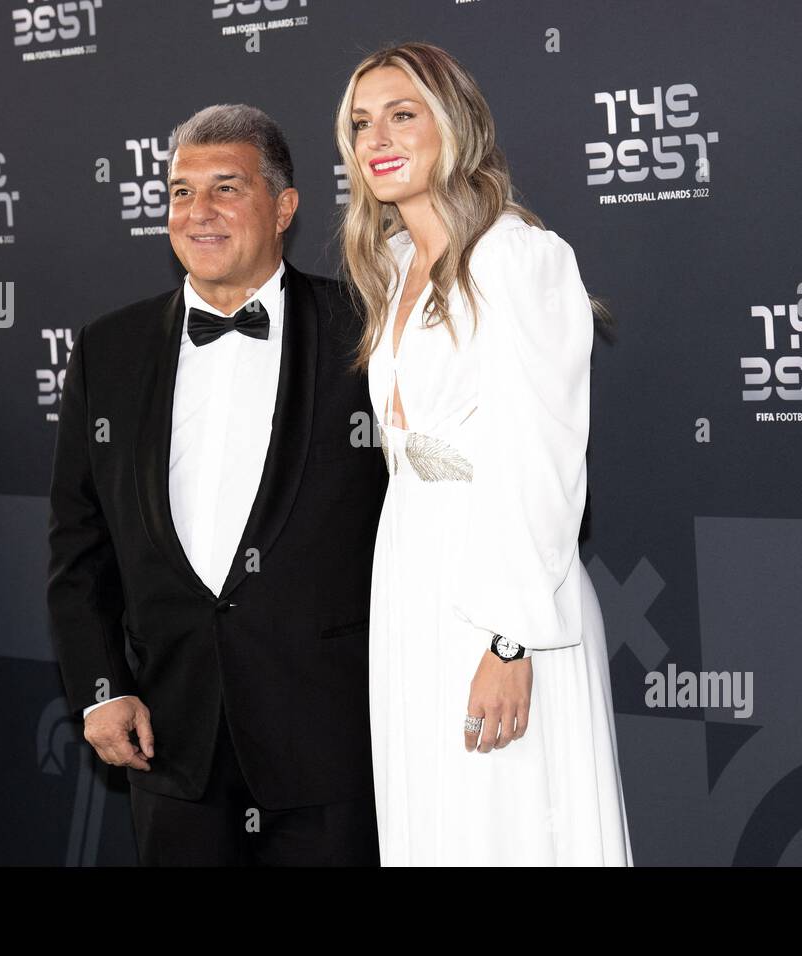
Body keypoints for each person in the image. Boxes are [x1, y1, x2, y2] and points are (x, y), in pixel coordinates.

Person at [47, 104, 387, 865]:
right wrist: (101, 687)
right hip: (170, 738)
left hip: (330, 737)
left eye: (226, 189)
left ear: (285, 207)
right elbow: (79, 542)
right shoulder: (110, 350)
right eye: (179, 192)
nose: (197, 213)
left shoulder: (369, 329)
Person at [334, 42, 634, 865]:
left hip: (501, 591)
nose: (377, 137)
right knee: (434, 825)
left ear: (455, 125)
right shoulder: (391, 265)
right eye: (361, 123)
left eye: (403, 114)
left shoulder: (516, 258)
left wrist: (511, 641)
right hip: (410, 580)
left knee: (506, 820)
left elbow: (542, 461)